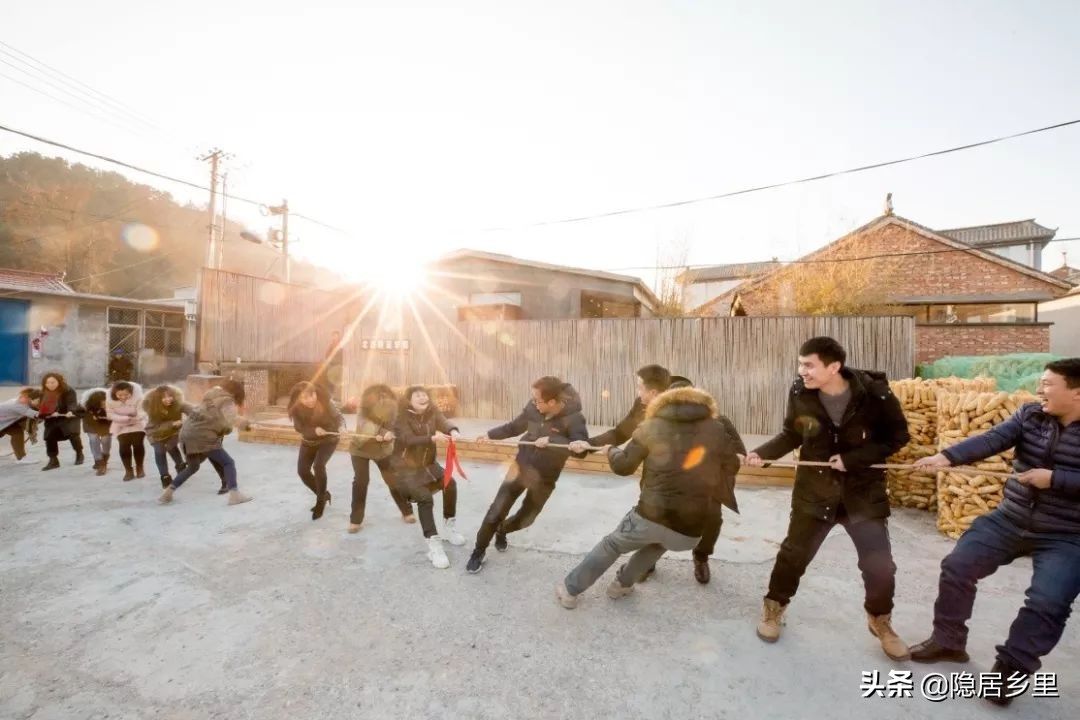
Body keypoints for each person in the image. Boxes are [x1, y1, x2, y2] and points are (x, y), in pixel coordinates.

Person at [907, 358, 1080, 706]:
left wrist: (1055, 479)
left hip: (1067, 534)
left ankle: (1009, 672)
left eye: (1048, 384)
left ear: (1076, 392)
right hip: (1011, 517)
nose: (1039, 390)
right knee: (958, 566)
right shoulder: (1031, 416)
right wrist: (946, 458)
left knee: (1048, 601)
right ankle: (948, 640)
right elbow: (992, 439)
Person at [744, 336, 911, 660]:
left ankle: (881, 621)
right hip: (815, 490)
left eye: (809, 365)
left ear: (834, 367)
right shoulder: (800, 392)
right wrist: (761, 454)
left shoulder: (875, 394)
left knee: (880, 566)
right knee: (794, 555)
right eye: (800, 363)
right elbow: (792, 434)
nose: (801, 371)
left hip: (862, 492)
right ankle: (774, 608)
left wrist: (856, 458)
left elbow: (898, 436)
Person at [555, 384, 742, 608]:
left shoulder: (651, 426)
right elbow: (732, 465)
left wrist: (611, 451)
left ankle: (570, 590)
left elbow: (623, 467)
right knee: (659, 542)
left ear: (663, 403)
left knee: (613, 545)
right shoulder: (717, 428)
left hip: (650, 516)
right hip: (690, 532)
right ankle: (622, 586)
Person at [467, 376, 588, 574]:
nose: (533, 403)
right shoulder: (533, 408)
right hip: (520, 467)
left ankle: (503, 530)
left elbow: (581, 450)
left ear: (552, 402)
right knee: (495, 512)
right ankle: (478, 552)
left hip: (545, 478)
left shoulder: (574, 418)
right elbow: (514, 427)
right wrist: (489, 434)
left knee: (526, 519)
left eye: (538, 400)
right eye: (532, 399)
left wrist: (553, 439)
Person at [392, 385, 465, 569]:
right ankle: (433, 544)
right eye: (418, 396)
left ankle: (449, 527)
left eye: (425, 395)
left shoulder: (432, 412)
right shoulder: (400, 417)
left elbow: (444, 422)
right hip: (406, 469)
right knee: (425, 498)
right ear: (409, 400)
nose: (423, 398)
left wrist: (453, 431)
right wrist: (431, 439)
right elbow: (407, 439)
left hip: (429, 465)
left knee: (451, 483)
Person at [159, 379, 252, 507]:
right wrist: (246, 424)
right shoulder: (226, 400)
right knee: (228, 462)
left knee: (193, 467)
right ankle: (234, 495)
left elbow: (214, 419)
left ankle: (167, 493)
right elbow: (231, 418)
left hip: (186, 434)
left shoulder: (210, 395)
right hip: (203, 436)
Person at [348, 384, 414, 533]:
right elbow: (364, 424)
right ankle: (355, 520)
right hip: (360, 450)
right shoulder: (363, 410)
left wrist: (389, 434)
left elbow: (396, 427)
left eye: (385, 396)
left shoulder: (393, 409)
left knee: (393, 480)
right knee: (361, 481)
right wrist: (381, 431)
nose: (382, 400)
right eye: (378, 397)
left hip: (382, 451)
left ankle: (407, 511)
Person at [288, 381, 345, 520]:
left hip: (328, 440)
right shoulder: (295, 410)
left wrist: (342, 427)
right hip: (309, 441)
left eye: (312, 395)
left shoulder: (325, 401)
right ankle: (324, 494)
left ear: (315, 392)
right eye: (305, 398)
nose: (310, 399)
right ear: (299, 399)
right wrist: (314, 430)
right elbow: (299, 428)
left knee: (319, 466)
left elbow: (339, 417)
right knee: (302, 471)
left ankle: (320, 502)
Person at [143, 385, 193, 488]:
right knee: (159, 451)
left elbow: (193, 411)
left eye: (170, 396)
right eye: (164, 397)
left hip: (174, 432)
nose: (168, 399)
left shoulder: (178, 404)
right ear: (158, 399)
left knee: (171, 445)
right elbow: (156, 428)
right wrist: (172, 423)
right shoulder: (152, 408)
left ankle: (180, 466)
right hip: (155, 432)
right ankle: (165, 476)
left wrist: (194, 415)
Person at [38, 372, 84, 471]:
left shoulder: (68, 390)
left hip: (68, 416)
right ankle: (53, 460)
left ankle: (79, 453)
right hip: (52, 418)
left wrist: (70, 411)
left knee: (73, 434)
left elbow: (72, 403)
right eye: (47, 383)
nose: (50, 385)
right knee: (49, 436)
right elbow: (42, 407)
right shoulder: (43, 393)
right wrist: (48, 413)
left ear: (59, 382)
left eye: (53, 382)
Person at [106, 381, 147, 482]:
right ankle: (128, 470)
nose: (123, 397)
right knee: (124, 446)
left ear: (131, 393)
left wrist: (136, 418)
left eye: (126, 394)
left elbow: (142, 411)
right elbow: (110, 414)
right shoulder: (110, 400)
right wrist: (124, 419)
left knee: (138, 444)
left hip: (137, 423)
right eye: (120, 395)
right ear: (114, 393)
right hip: (120, 425)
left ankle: (139, 467)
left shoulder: (139, 398)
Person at [0, 388, 42, 464]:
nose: (40, 403)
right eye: (38, 401)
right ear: (30, 398)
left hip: (6, 422)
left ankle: (21, 458)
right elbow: (37, 415)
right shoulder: (19, 406)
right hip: (2, 422)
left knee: (17, 432)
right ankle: (21, 458)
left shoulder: (23, 402)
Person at [81, 388, 112, 476]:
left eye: (105, 401)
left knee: (106, 440)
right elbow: (77, 411)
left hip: (105, 425)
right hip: (91, 424)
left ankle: (105, 458)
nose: (104, 404)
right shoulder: (87, 406)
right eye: (101, 403)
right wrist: (90, 416)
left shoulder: (112, 405)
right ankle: (99, 461)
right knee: (94, 439)